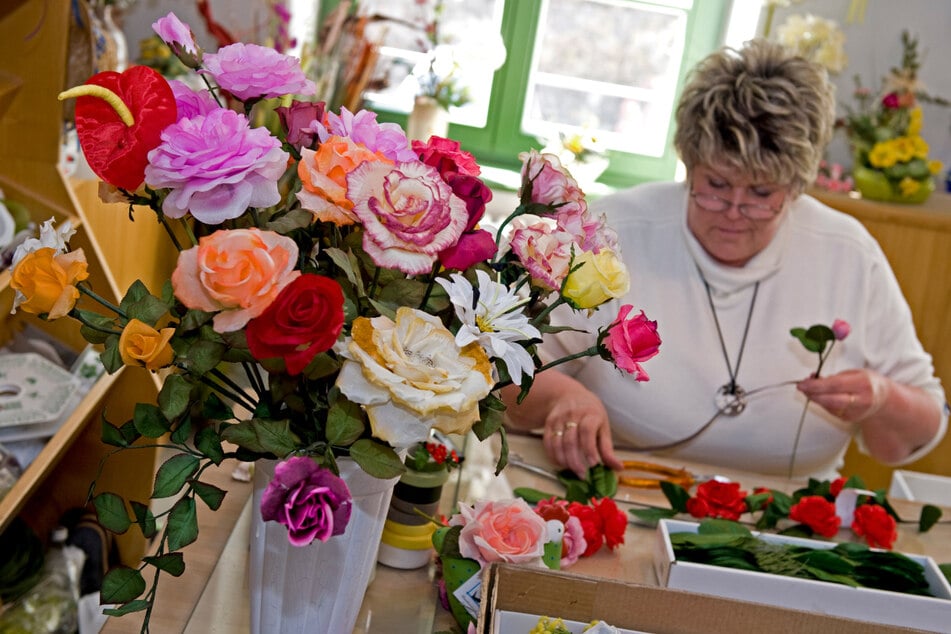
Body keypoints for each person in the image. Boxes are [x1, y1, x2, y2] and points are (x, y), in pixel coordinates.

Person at [503, 39, 948, 481]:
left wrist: (881, 398)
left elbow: (913, 437)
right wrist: (564, 396)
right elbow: (503, 378)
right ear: (688, 163)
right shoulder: (615, 232)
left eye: (761, 193)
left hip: (791, 512)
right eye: (715, 184)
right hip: (622, 488)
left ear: (796, 188)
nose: (734, 212)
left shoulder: (848, 254)